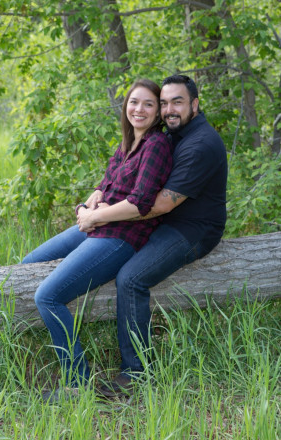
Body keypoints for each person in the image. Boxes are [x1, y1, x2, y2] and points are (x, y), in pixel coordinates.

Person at [21, 79, 173, 402]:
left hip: (120, 237)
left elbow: (141, 203)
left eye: (148, 104)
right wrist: (91, 201)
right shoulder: (127, 143)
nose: (139, 109)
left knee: (47, 296)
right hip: (95, 226)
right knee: (25, 266)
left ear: (158, 111)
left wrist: (95, 216)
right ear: (125, 106)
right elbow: (107, 185)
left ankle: (79, 385)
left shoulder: (156, 145)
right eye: (134, 102)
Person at [83, 74, 228, 397]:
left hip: (193, 229)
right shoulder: (173, 133)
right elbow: (130, 165)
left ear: (195, 104)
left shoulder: (201, 144)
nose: (168, 109)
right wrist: (99, 192)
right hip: (163, 222)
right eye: (164, 103)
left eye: (177, 102)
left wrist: (99, 216)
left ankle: (136, 374)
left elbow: (159, 204)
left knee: (131, 278)